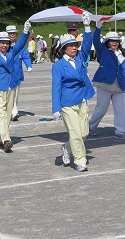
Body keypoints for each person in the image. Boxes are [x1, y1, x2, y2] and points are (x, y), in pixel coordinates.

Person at [52, 12, 94, 172]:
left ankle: (67, 148)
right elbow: (56, 87)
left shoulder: (81, 57)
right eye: (70, 46)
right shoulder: (58, 66)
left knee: (84, 133)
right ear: (63, 49)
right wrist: (56, 108)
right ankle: (80, 160)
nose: (74, 48)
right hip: (68, 102)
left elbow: (88, 41)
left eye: (75, 45)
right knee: (75, 133)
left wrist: (87, 26)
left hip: (82, 99)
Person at [0, 21, 31, 152]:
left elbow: (20, 44)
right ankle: (6, 140)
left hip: (10, 88)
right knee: (1, 115)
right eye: (2, 42)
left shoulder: (11, 53)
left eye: (7, 42)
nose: (5, 45)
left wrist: (25, 31)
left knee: (7, 116)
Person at [88, 20, 125, 140]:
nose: (114, 43)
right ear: (107, 42)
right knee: (101, 109)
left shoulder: (123, 54)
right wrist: (99, 26)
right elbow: (95, 40)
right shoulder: (102, 51)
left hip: (119, 85)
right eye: (112, 41)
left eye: (116, 41)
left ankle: (120, 131)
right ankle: (90, 127)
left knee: (120, 110)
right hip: (105, 83)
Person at [6, 25, 33, 121]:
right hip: (7, 76)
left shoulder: (20, 46)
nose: (12, 35)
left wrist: (29, 65)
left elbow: (25, 56)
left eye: (14, 33)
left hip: (17, 74)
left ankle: (14, 111)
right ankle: (10, 111)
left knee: (16, 94)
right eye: (10, 33)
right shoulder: (4, 46)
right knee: (8, 94)